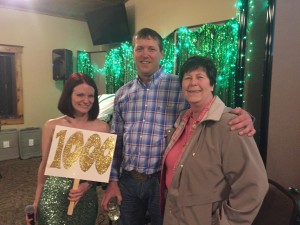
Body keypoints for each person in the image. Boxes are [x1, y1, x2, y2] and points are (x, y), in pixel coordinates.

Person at [101, 28, 256, 225]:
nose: (145, 54)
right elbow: (117, 140)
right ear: (133, 52)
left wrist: (246, 117)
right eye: (140, 48)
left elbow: (212, 109)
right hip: (129, 182)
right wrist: (113, 181)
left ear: (162, 53)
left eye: (151, 48)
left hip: (164, 182)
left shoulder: (181, 86)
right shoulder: (123, 93)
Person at [160, 55, 268, 225]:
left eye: (200, 77)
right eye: (187, 78)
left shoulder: (230, 124)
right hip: (175, 216)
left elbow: (253, 186)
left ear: (212, 84)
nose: (193, 82)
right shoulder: (182, 120)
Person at [26, 73, 110, 225]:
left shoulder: (102, 128)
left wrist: (86, 186)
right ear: (68, 95)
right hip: (53, 195)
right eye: (80, 95)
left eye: (91, 96)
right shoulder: (51, 126)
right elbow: (44, 166)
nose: (86, 100)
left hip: (84, 197)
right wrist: (36, 201)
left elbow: (100, 171)